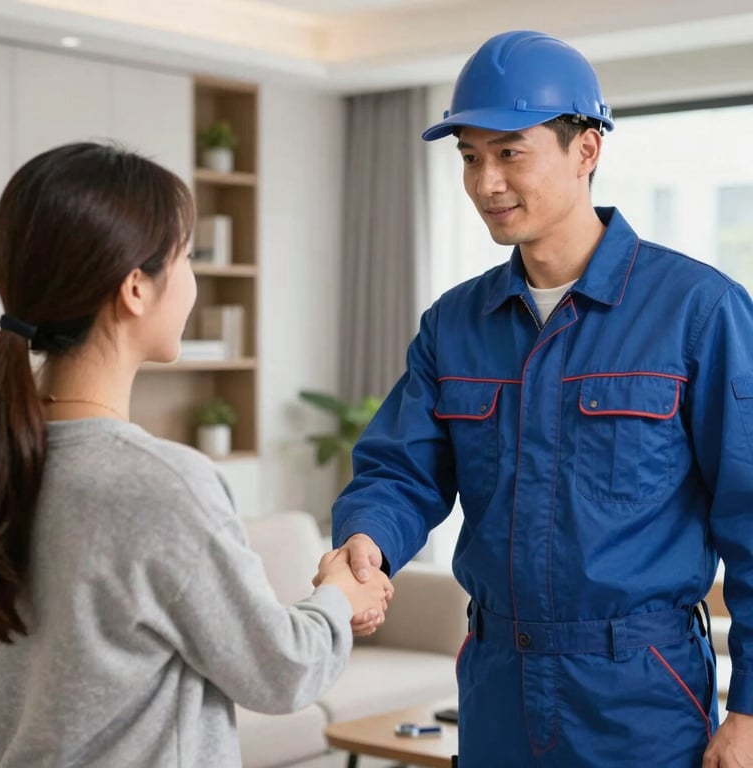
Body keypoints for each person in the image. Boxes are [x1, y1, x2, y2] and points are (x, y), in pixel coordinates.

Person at [327, 30, 753, 767]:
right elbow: (401, 471)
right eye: (469, 157)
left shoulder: (700, 310)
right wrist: (367, 540)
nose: (485, 181)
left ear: (586, 149)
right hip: (496, 685)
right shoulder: (455, 324)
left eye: (509, 152)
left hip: (639, 697)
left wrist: (750, 709)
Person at [0, 142, 391, 768]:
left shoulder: (0, 458)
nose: (194, 282)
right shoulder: (159, 484)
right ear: (136, 288)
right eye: (186, 257)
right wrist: (339, 595)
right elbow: (281, 670)